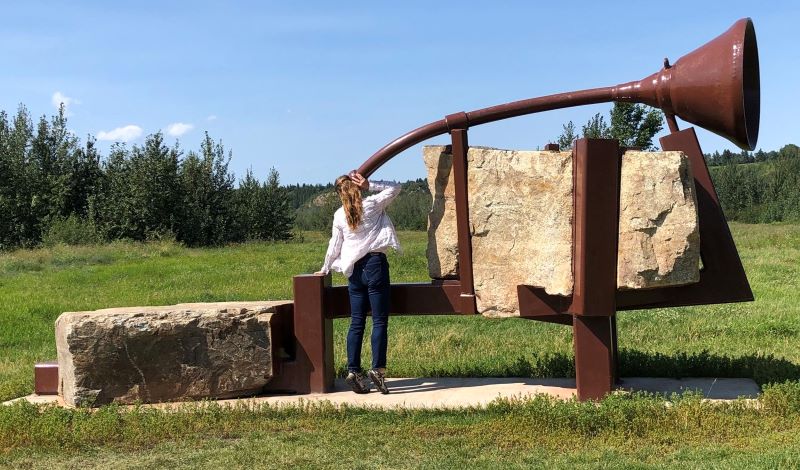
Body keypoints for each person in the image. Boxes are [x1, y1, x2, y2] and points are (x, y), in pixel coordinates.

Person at [316, 171, 400, 394]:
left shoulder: (339, 215)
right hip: (375, 265)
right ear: (357, 187)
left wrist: (324, 268)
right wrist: (369, 184)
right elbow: (395, 188)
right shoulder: (371, 205)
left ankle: (354, 371)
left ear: (339, 194)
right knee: (379, 321)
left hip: (354, 271)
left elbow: (335, 246)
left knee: (356, 322)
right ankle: (378, 371)